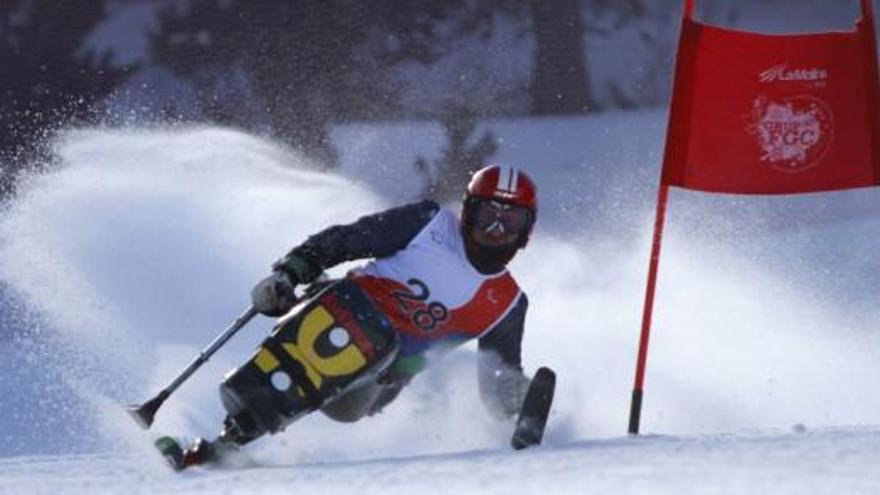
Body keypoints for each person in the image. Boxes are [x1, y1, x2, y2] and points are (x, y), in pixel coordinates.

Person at [168, 164, 540, 468]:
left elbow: (496, 377)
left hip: (377, 382)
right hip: (338, 306)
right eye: (488, 216)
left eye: (509, 222)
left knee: (369, 339)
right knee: (343, 321)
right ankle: (222, 438)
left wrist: (517, 404)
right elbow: (350, 239)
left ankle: (233, 434)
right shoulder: (429, 224)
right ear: (468, 212)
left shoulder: (506, 303)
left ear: (526, 231)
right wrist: (292, 270)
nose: (495, 230)